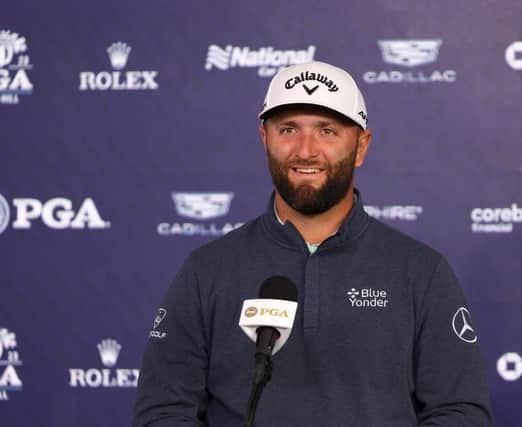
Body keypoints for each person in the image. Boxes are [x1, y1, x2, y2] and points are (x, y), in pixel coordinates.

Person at [133, 61, 492, 426]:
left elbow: (459, 412)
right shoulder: (207, 270)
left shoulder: (420, 271)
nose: (306, 150)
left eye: (327, 131)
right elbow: (163, 411)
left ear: (362, 145)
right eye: (288, 129)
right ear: (264, 138)